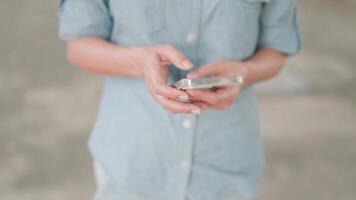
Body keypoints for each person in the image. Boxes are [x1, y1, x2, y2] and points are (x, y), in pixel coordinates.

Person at [58, 0, 300, 199]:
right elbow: (79, 45)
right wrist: (140, 62)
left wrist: (244, 73)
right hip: (132, 155)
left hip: (225, 158)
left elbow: (276, 49)